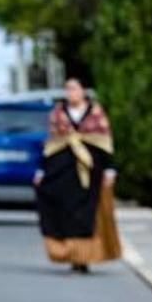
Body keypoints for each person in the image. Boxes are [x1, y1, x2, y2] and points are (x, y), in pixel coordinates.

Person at [35, 78, 121, 272]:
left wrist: (109, 168)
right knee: (62, 208)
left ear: (83, 91)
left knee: (86, 213)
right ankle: (67, 252)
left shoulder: (96, 113)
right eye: (67, 89)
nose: (70, 93)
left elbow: (104, 142)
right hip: (63, 169)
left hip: (91, 170)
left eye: (74, 88)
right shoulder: (58, 113)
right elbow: (52, 144)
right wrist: (42, 170)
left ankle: (84, 257)